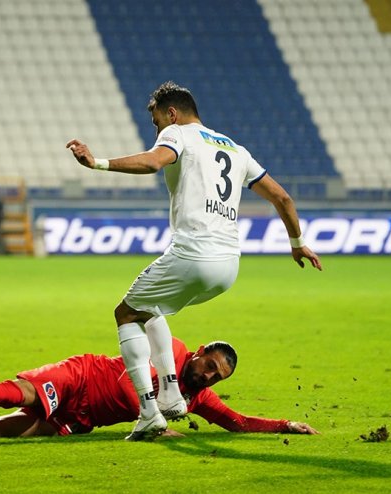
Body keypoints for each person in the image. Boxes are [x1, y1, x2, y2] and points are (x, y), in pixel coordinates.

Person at [66, 81, 323, 440]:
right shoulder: (237, 150)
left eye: (157, 122)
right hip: (228, 268)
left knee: (126, 313)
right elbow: (282, 198)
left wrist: (98, 163)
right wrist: (297, 243)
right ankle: (169, 390)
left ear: (171, 114)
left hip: (193, 254)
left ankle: (151, 410)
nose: (158, 130)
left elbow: (154, 162)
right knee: (152, 309)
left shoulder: (179, 135)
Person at [0, 337, 318, 439]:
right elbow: (130, 378)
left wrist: (283, 424)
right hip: (81, 377)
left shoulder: (196, 397)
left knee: (1, 433)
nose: (208, 376)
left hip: (82, 418)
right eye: (209, 366)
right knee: (17, 393)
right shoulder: (173, 352)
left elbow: (236, 422)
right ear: (201, 352)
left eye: (217, 376)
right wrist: (153, 420)